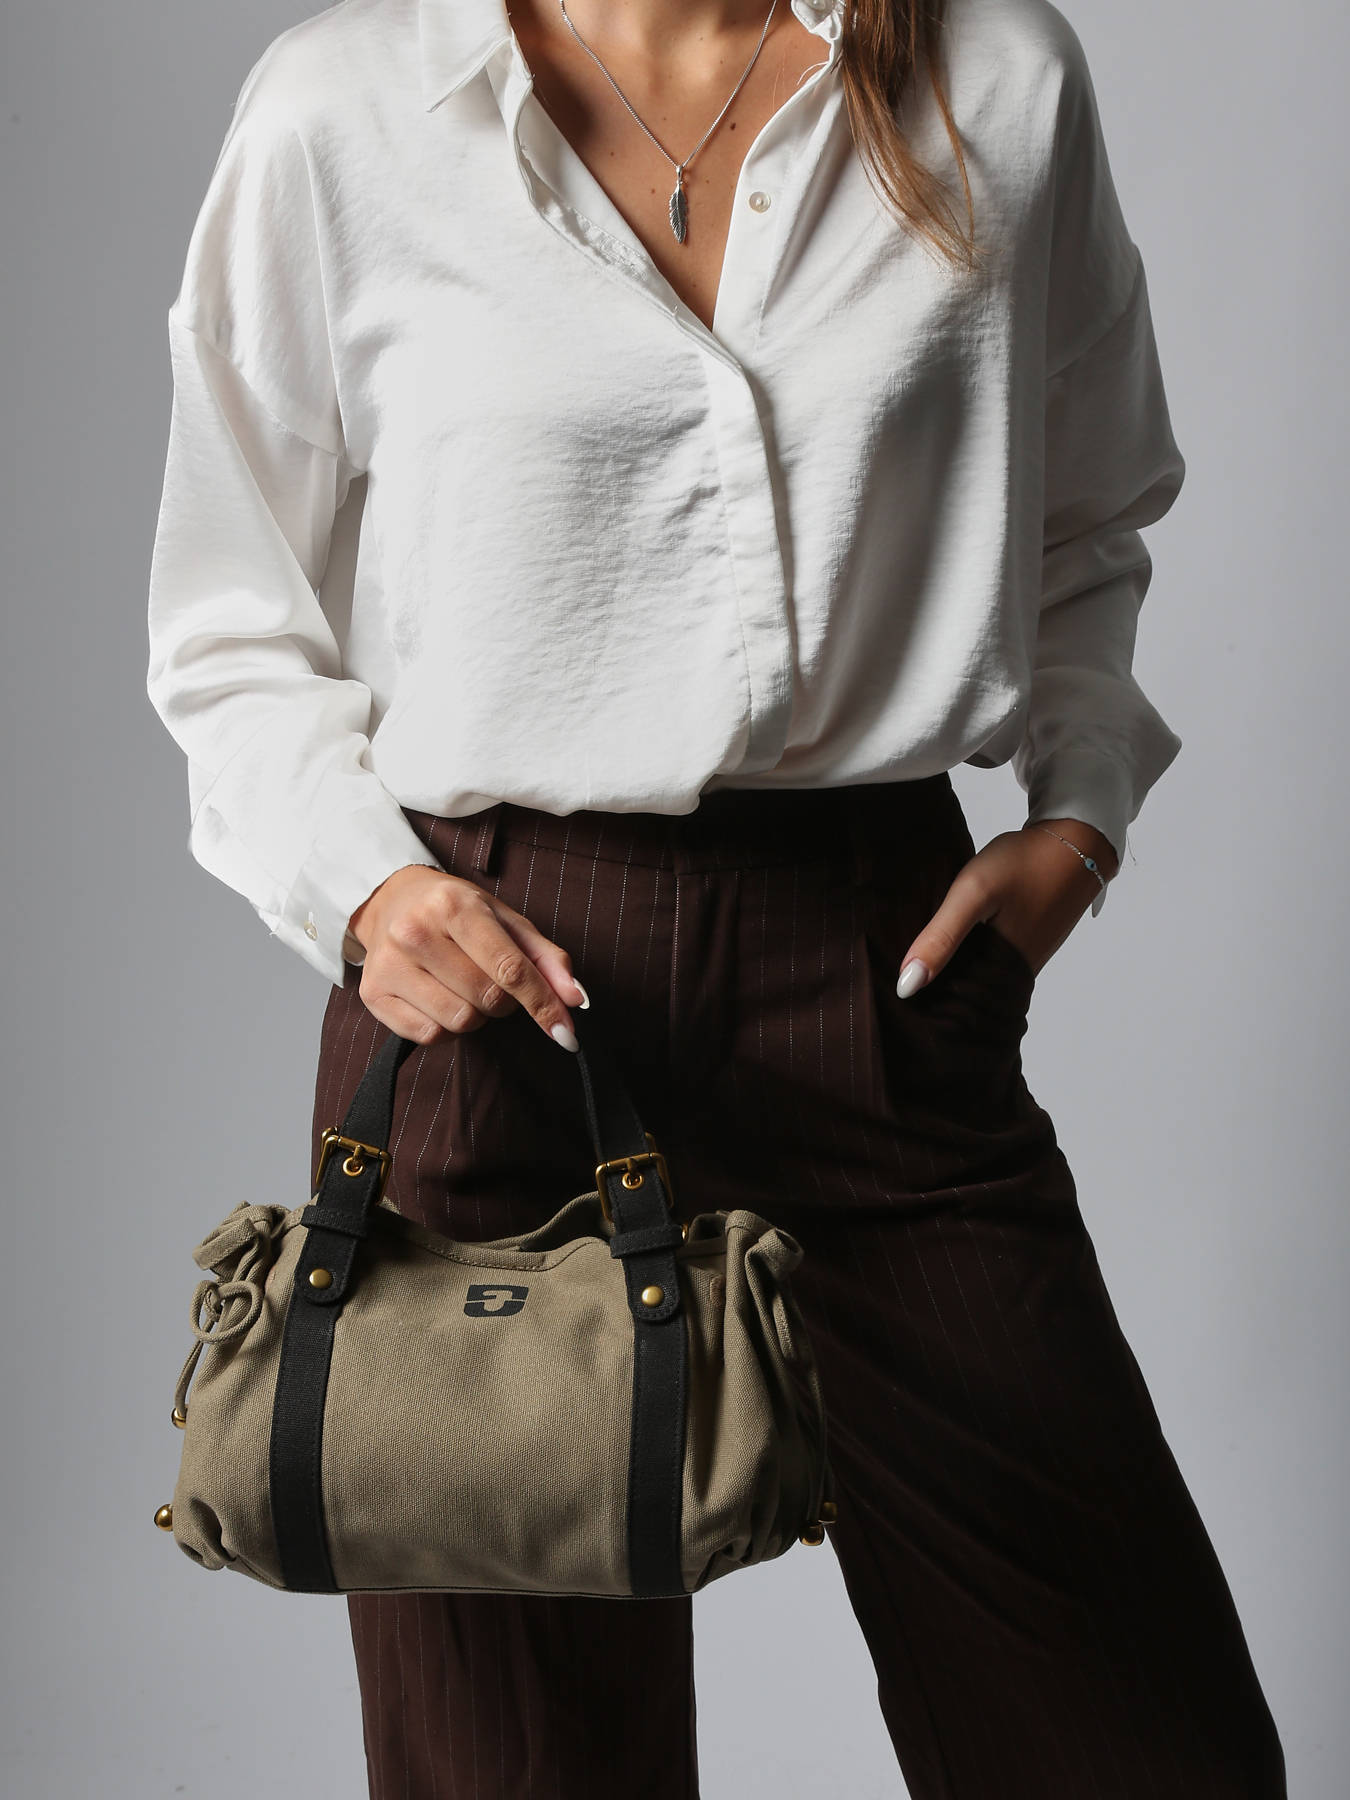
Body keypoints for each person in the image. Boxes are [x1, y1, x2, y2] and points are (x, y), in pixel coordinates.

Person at [145, 0, 1288, 1793]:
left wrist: (1079, 813)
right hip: (497, 996)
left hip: (876, 969)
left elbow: (1086, 512)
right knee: (519, 1765)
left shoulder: (996, 77)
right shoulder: (343, 110)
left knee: (1129, 1735)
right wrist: (365, 891)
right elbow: (231, 623)